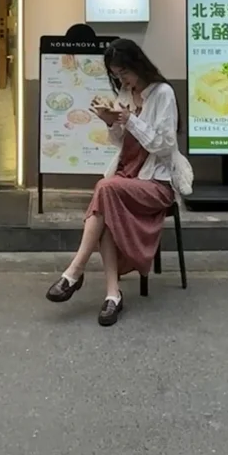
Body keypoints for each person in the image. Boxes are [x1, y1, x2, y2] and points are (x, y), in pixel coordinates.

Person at [47, 38, 193, 327]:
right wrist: (110, 121)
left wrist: (130, 119)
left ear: (138, 65)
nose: (122, 80)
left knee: (105, 189)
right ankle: (112, 295)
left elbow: (164, 146)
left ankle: (75, 271)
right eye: (116, 75)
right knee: (106, 200)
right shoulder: (126, 93)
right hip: (127, 175)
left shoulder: (163, 93)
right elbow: (120, 142)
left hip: (157, 183)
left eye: (124, 72)